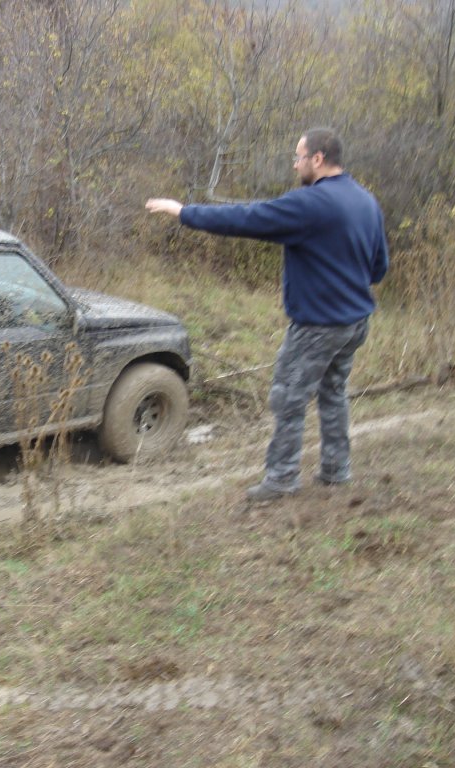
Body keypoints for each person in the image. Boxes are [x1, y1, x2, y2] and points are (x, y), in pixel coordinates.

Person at [145, 127, 389, 503]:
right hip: (355, 323)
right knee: (333, 392)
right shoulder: (366, 201)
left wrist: (184, 212)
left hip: (319, 326)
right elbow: (378, 269)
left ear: (318, 159)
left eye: (298, 157)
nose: (295, 165)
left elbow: (247, 218)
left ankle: (281, 479)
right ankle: (336, 470)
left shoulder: (311, 204)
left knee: (288, 396)